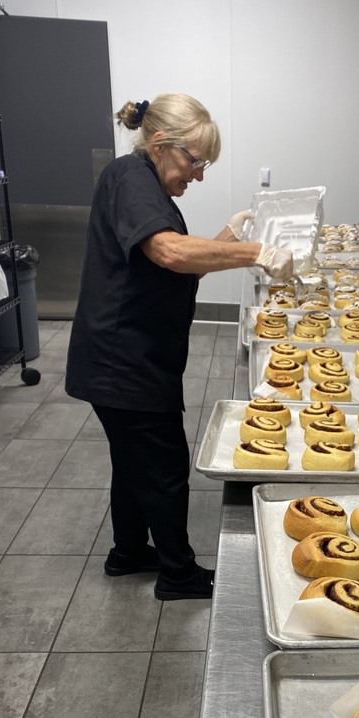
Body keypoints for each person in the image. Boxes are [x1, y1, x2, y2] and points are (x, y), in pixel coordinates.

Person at [65, 93, 293, 600]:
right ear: (162, 143)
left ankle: (128, 552)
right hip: (125, 360)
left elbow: (177, 260)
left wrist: (227, 235)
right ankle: (178, 575)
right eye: (196, 161)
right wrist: (256, 251)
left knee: (132, 461)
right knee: (163, 467)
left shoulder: (140, 181)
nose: (199, 175)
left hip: (124, 354)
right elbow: (168, 250)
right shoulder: (130, 179)